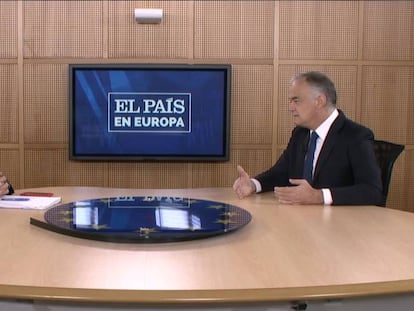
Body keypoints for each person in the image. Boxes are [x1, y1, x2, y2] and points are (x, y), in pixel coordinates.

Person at [233, 71, 384, 206]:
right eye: (290, 101)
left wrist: (319, 196)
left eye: (296, 100)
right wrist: (253, 185)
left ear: (320, 101)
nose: (290, 107)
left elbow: (372, 191)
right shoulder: (300, 134)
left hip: (342, 227)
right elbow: (281, 172)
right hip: (304, 221)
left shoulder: (355, 135)